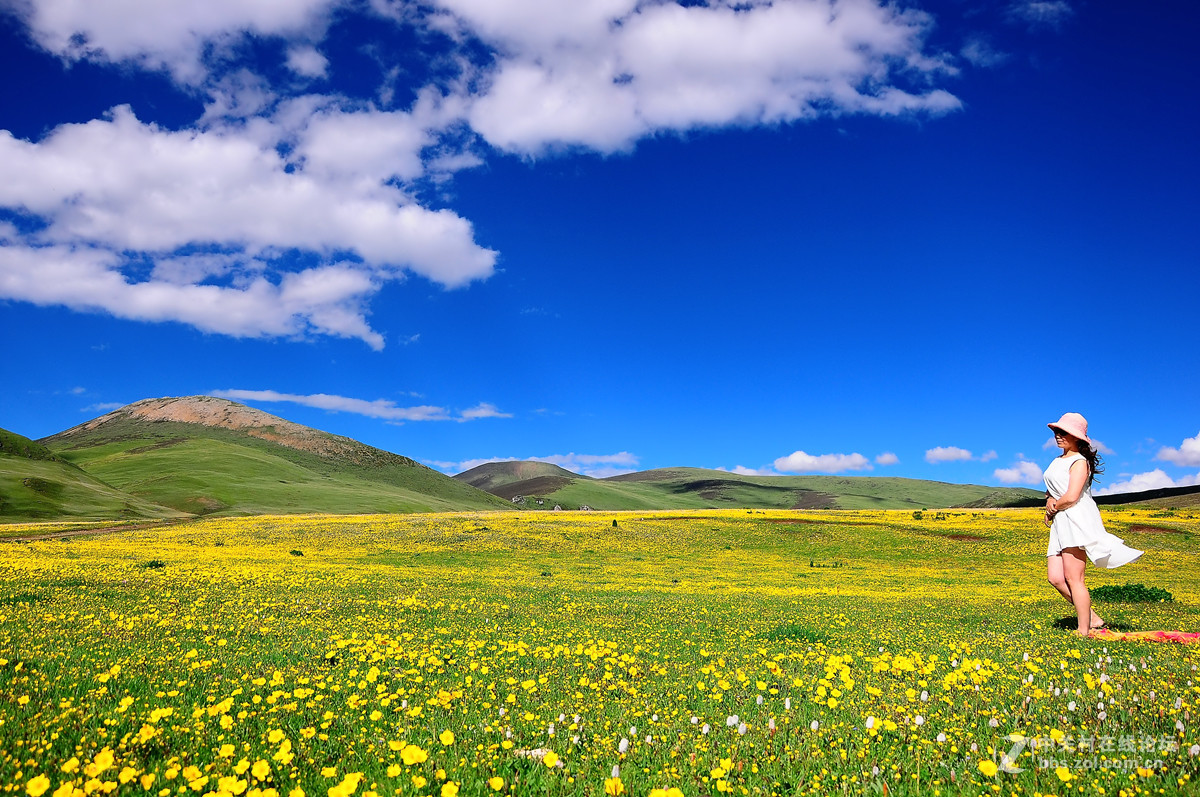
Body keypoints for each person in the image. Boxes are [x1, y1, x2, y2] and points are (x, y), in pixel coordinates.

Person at [1043, 412, 1143, 637]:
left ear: (1077, 437)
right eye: (1057, 432)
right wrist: (1049, 502)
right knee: (1055, 578)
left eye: (1064, 433)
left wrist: (1054, 505)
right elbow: (1054, 491)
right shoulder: (1057, 461)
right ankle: (1093, 618)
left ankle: (1083, 630)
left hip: (1075, 519)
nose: (1059, 436)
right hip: (1061, 520)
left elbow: (1071, 496)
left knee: (1074, 578)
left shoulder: (1079, 462)